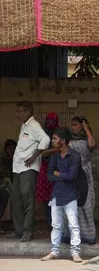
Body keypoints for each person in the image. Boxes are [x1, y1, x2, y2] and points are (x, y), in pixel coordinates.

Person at [9, 101, 51, 242]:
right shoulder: (24, 125)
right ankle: (19, 230)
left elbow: (45, 139)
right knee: (16, 200)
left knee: (28, 201)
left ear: (28, 111)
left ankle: (27, 231)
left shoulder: (34, 125)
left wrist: (34, 156)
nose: (17, 114)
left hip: (28, 169)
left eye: (20, 111)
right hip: (18, 169)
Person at [41, 127, 82, 263]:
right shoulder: (54, 156)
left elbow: (72, 176)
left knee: (73, 225)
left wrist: (58, 174)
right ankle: (54, 251)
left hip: (70, 195)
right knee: (56, 225)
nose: (52, 141)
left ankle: (75, 253)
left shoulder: (75, 156)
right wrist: (60, 176)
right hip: (57, 194)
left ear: (63, 141)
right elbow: (49, 176)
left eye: (55, 138)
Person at [62, 117, 96, 244]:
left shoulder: (87, 139)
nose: (73, 127)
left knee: (85, 203)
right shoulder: (69, 139)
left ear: (82, 126)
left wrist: (87, 129)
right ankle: (70, 235)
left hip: (84, 174)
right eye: (72, 125)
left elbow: (92, 144)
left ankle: (87, 235)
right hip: (71, 174)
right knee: (71, 204)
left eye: (76, 125)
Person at [36, 113, 58, 231]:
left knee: (56, 195)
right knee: (46, 197)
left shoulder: (59, 134)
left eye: (52, 121)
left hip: (57, 168)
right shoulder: (42, 135)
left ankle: (57, 222)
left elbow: (61, 148)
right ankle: (49, 222)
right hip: (44, 168)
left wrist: (46, 151)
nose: (50, 124)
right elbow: (40, 151)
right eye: (48, 121)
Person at [0, 139, 17, 234]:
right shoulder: (2, 156)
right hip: (4, 183)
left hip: (5, 184)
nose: (12, 150)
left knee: (9, 194)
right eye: (10, 148)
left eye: (13, 149)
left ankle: (15, 222)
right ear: (6, 148)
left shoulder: (12, 158)